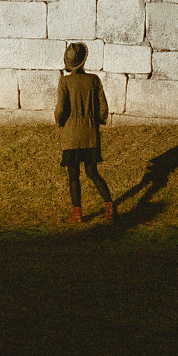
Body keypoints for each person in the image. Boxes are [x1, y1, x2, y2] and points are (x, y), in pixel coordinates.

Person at [54, 41, 112, 223]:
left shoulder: (65, 81)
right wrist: (97, 121)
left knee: (73, 175)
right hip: (90, 133)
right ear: (83, 61)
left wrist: (60, 122)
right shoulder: (94, 80)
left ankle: (77, 214)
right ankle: (110, 208)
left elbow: (60, 110)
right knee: (92, 172)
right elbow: (103, 109)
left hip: (71, 135)